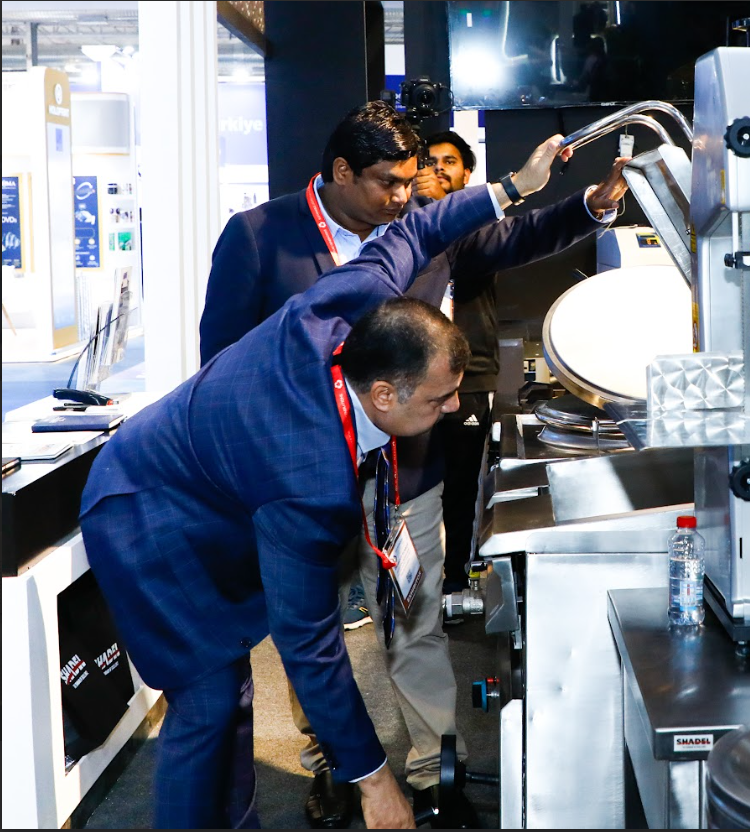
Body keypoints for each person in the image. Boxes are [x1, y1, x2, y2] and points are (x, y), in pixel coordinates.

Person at [80, 158, 554, 828]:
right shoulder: (309, 483)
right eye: (441, 397)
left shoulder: (352, 299)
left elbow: (416, 232)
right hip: (144, 516)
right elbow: (309, 644)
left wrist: (509, 187)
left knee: (233, 690)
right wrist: (374, 781)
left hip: (206, 490)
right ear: (384, 394)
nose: (452, 409)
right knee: (208, 700)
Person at [197, 102, 626, 828]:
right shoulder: (259, 237)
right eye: (387, 184)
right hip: (301, 480)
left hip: (408, 473)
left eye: (412, 181)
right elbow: (221, 362)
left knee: (415, 617)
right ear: (339, 172)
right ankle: (335, 764)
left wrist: (590, 204)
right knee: (316, 626)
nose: (405, 197)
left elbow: (512, 238)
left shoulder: (419, 232)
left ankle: (433, 771)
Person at [409, 130, 520, 592]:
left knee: (461, 488)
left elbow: (480, 250)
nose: (438, 170)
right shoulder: (405, 225)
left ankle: (457, 581)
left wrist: (441, 209)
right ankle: (405, 584)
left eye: (448, 162)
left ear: (466, 172)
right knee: (408, 488)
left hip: (471, 375)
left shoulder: (480, 223)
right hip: (410, 379)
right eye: (429, 162)